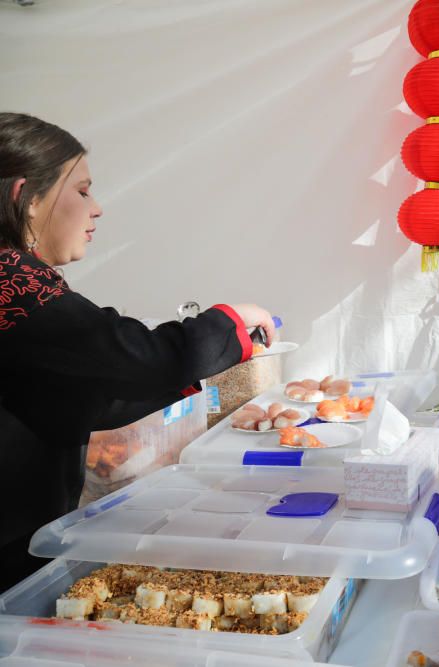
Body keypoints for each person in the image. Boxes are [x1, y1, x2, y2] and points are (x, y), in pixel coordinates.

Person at [0, 113, 275, 590]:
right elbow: (132, 356)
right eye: (82, 190)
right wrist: (228, 320)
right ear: (25, 197)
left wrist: (193, 384)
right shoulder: (12, 284)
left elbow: (73, 388)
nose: (97, 208)